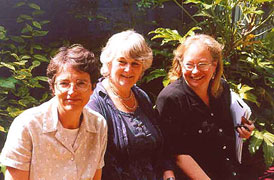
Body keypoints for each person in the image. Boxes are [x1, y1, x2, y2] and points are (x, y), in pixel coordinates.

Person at [0, 44, 107, 180]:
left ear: (92, 87)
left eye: (81, 83)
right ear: (53, 88)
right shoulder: (27, 125)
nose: (72, 91)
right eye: (64, 83)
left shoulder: (99, 125)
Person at [156, 34, 255, 180]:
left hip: (229, 172)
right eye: (189, 65)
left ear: (214, 65)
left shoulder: (222, 88)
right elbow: (176, 153)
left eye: (202, 64)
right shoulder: (171, 98)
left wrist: (243, 131)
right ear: (181, 64)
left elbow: (224, 132)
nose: (195, 71)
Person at [86, 30, 163, 180]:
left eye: (135, 64)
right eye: (122, 62)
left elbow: (158, 150)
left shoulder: (141, 96)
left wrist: (168, 173)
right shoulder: (95, 103)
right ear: (109, 63)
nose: (128, 69)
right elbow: (98, 164)